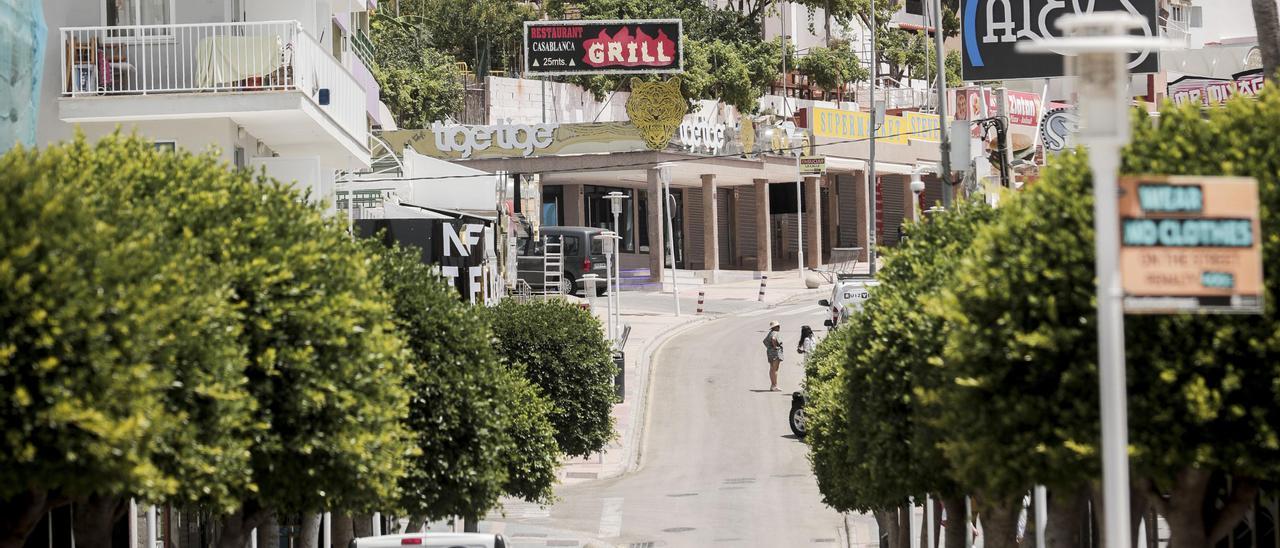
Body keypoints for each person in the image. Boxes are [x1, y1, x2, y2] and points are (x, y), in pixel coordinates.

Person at [763, 320, 783, 391]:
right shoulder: (775, 333)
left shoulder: (770, 333)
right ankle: (775, 385)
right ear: (775, 327)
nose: (779, 327)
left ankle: (772, 385)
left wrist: (769, 347)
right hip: (775, 353)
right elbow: (773, 339)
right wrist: (775, 347)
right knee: (775, 369)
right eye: (778, 326)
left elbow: (764, 341)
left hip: (770, 352)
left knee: (772, 369)